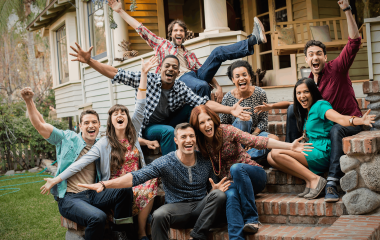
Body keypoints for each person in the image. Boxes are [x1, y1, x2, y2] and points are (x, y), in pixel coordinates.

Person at [254, 0, 364, 202]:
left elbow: (354, 42)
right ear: (306, 59)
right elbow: (296, 104)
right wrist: (271, 106)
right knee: (290, 112)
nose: (315, 57)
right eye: (311, 54)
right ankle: (293, 149)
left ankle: (331, 181)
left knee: (335, 130)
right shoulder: (311, 84)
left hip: (346, 121)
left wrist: (347, 10)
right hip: (326, 123)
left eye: (319, 54)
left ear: (325, 56)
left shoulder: (337, 69)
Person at [40, 57, 159, 240]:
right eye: (115, 113)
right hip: (114, 187)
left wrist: (143, 74)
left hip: (135, 183)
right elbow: (80, 163)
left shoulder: (133, 132)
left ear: (127, 118)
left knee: (150, 180)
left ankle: (139, 232)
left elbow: (141, 104)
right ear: (110, 121)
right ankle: (123, 233)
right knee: (123, 190)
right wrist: (56, 179)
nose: (120, 115)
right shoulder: (103, 143)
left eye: (123, 113)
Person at [69, 44, 252, 156]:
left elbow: (203, 102)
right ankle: (171, 165)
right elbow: (116, 73)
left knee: (195, 109)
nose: (170, 69)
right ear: (160, 69)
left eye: (174, 67)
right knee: (167, 131)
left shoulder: (180, 87)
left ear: (178, 72)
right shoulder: (147, 80)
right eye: (167, 66)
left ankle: (205, 147)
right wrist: (90, 61)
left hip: (167, 120)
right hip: (147, 127)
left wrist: (230, 110)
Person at [78, 123, 231, 240]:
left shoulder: (205, 161)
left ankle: (197, 236)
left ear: (195, 139)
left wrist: (213, 191)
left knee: (219, 195)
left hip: (201, 206)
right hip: (176, 210)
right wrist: (105, 184)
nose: (188, 140)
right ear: (176, 140)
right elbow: (137, 176)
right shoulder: (165, 162)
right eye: (183, 137)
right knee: (158, 215)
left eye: (191, 136)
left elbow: (214, 189)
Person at [20, 88, 133, 240]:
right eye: (86, 123)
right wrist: (29, 101)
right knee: (97, 217)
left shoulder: (102, 144)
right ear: (80, 126)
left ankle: (120, 232)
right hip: (70, 198)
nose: (90, 125)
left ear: (100, 126)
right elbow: (41, 125)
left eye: (94, 122)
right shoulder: (67, 138)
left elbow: (125, 136)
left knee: (125, 190)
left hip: (93, 194)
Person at [189, 105, 313, 240]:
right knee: (230, 194)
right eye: (202, 122)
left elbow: (257, 141)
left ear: (213, 119)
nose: (207, 125)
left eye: (208, 120)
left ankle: (251, 219)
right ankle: (236, 238)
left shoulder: (227, 131)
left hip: (253, 175)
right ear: (197, 127)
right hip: (233, 183)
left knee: (236, 168)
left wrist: (290, 146)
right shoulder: (200, 145)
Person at [107, 0, 267, 101]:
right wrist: (120, 11)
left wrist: (217, 86)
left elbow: (205, 71)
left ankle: (254, 40)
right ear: (170, 34)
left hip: (194, 75)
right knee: (201, 86)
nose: (179, 33)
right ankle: (205, 118)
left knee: (218, 52)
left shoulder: (189, 53)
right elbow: (140, 28)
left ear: (184, 35)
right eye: (176, 30)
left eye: (181, 31)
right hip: (180, 79)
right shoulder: (161, 44)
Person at [267, 78, 374, 200]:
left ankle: (316, 180)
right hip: (312, 147)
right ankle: (309, 180)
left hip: (322, 150)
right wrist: (271, 106)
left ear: (313, 92)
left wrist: (360, 120)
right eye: (299, 93)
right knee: (270, 158)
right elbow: (289, 105)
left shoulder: (320, 105)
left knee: (276, 152)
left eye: (306, 92)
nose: (302, 96)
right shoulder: (307, 110)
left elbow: (340, 119)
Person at [220, 60, 278, 160]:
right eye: (237, 76)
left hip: (256, 135)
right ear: (233, 80)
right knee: (245, 118)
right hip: (236, 139)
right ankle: (250, 156)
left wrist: (253, 138)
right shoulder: (227, 98)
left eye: (244, 75)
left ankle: (244, 157)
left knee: (275, 140)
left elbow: (263, 120)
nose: (241, 78)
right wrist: (244, 138)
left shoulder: (260, 93)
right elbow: (223, 125)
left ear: (250, 76)